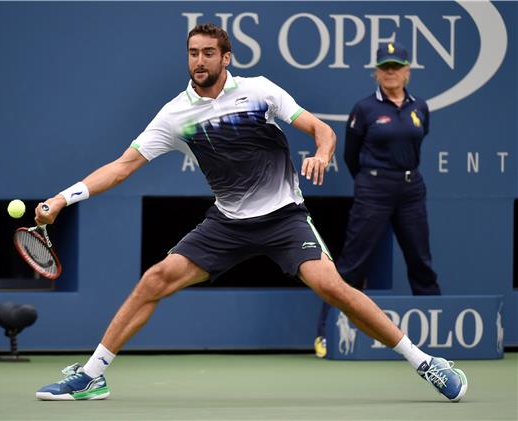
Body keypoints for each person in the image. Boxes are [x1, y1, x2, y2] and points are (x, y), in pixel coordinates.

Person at [34, 26, 466, 402]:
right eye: (192, 52)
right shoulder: (175, 114)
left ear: (226, 58)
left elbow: (321, 128)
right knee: (155, 279)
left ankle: (425, 361)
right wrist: (62, 199)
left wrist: (321, 152)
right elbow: (122, 166)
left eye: (207, 53)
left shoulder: (259, 91)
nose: (198, 61)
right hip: (227, 223)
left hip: (284, 217)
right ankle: (91, 376)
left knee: (333, 287)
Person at [314, 42, 442, 359]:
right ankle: (327, 335)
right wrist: (375, 180)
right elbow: (350, 156)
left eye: (396, 66)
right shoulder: (364, 109)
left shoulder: (419, 107)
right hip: (373, 189)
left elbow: (418, 142)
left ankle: (440, 338)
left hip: (411, 191)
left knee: (421, 264)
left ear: (407, 71)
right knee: (352, 266)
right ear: (376, 73)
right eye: (385, 67)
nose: (391, 72)